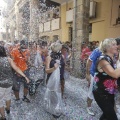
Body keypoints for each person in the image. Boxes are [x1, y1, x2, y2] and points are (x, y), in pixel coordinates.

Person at [93, 38, 120, 120]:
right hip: (101, 93)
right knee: (112, 117)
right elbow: (115, 74)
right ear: (107, 47)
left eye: (116, 44)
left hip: (109, 92)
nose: (117, 46)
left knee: (106, 115)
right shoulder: (103, 59)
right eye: (114, 45)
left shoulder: (113, 58)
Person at [0, 46, 29, 120]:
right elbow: (16, 68)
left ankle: (3, 117)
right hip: (9, 83)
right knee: (8, 96)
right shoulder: (9, 59)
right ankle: (8, 109)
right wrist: (25, 76)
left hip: (0, 84)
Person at [44, 42, 65, 118]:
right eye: (60, 48)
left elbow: (63, 66)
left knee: (59, 95)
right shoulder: (49, 57)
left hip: (60, 79)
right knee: (53, 96)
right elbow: (46, 70)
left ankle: (58, 109)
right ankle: (54, 113)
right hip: (52, 80)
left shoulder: (61, 56)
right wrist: (54, 68)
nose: (61, 49)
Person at [86, 47, 102, 116]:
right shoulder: (98, 50)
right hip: (94, 74)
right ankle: (88, 107)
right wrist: (87, 74)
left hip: (103, 75)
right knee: (91, 91)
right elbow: (89, 60)